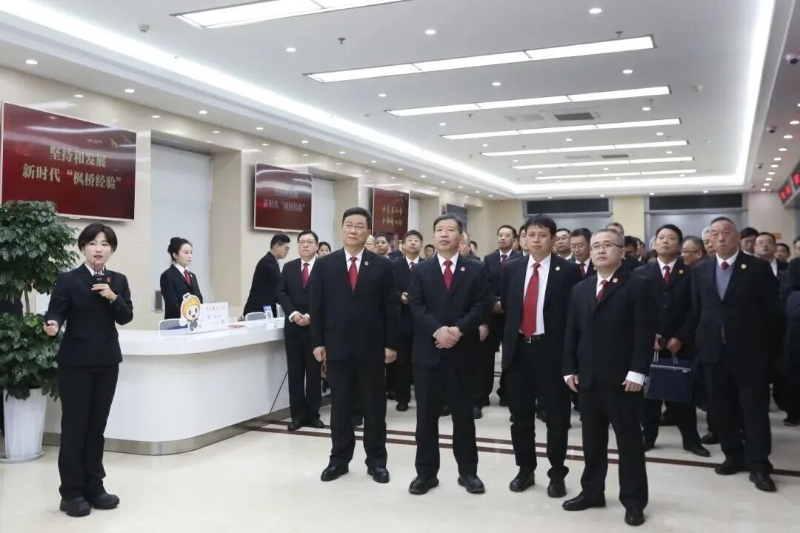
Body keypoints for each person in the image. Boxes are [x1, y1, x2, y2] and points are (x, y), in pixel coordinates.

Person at [562, 228, 657, 527]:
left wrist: (638, 371)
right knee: (592, 440)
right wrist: (569, 367)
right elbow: (572, 332)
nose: (600, 250)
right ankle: (592, 491)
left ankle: (634, 500)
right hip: (588, 378)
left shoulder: (638, 285)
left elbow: (644, 333)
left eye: (607, 245)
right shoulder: (581, 289)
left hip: (623, 380)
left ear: (622, 252)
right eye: (596, 246)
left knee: (629, 443)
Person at [43, 223, 133, 518]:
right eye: (93, 243)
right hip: (76, 364)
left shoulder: (118, 280)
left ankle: (95, 487)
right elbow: (56, 311)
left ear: (111, 250)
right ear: (83, 247)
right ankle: (71, 492)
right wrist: (53, 324)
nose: (98, 249)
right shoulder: (68, 280)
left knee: (96, 428)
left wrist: (113, 296)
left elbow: (126, 316)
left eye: (105, 244)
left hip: (107, 361)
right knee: (75, 428)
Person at [310, 207, 398, 484]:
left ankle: (377, 461)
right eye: (349, 225)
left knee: (374, 408)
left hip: (372, 348)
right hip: (337, 347)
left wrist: (391, 344)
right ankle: (339, 460)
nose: (353, 230)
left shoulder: (382, 265)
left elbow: (391, 307)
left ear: (368, 231)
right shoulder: (325, 264)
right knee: (340, 408)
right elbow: (317, 306)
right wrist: (317, 342)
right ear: (341, 229)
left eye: (360, 226)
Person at [691, 217, 779, 492]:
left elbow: (773, 313)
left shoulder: (757, 268)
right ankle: (733, 455)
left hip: (750, 353)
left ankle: (759, 463)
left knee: (754, 411)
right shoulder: (701, 269)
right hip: (713, 353)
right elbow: (697, 310)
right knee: (721, 409)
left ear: (738, 236)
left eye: (726, 232)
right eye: (714, 234)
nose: (720, 238)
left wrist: (770, 353)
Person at [407, 214, 493, 495]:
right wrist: (437, 331)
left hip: (463, 353)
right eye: (439, 230)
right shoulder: (421, 270)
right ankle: (426, 474)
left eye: (450, 230)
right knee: (426, 418)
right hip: (428, 354)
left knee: (464, 417)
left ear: (460, 237)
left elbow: (483, 304)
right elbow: (416, 306)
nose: (444, 234)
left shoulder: (475, 269)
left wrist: (458, 330)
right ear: (433, 236)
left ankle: (468, 473)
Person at [501, 215, 581, 497]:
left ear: (553, 239)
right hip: (519, 351)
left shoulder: (568, 270)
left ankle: (557, 473)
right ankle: (525, 469)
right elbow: (508, 308)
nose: (535, 240)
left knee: (557, 417)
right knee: (520, 417)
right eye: (530, 235)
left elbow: (574, 316)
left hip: (552, 352)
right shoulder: (512, 268)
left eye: (542, 235)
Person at [634, 225, 709, 458]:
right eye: (661, 237)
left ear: (679, 245)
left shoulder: (690, 273)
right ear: (654, 243)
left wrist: (680, 337)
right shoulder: (641, 273)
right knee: (649, 394)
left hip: (681, 343)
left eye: (671, 238)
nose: (665, 241)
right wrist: (650, 335)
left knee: (683, 393)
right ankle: (648, 436)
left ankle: (691, 440)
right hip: (650, 342)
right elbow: (637, 309)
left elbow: (695, 309)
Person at [276, 231, 324, 431]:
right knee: (295, 373)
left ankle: (313, 415)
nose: (305, 245)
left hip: (315, 328)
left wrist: (311, 316)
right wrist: (293, 313)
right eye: (301, 242)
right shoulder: (289, 267)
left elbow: (328, 296)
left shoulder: (325, 267)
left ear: (316, 246)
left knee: (313, 374)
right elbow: (281, 292)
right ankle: (297, 416)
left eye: (309, 242)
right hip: (293, 327)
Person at [477, 225, 521, 416]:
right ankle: (482, 395)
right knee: (485, 357)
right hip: (491, 314)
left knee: (511, 356)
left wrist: (505, 302)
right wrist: (493, 303)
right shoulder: (489, 259)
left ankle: (506, 392)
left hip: (512, 314)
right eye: (500, 235)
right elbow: (484, 285)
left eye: (507, 235)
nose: (503, 238)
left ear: (515, 239)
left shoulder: (520, 258)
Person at [392, 230, 424, 412]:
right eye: (409, 240)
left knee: (421, 363)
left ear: (421, 245)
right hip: (401, 319)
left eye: (416, 240)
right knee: (402, 362)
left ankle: (423, 397)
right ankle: (402, 398)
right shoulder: (394, 266)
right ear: (402, 245)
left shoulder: (428, 265)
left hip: (422, 322)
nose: (413, 243)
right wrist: (399, 296)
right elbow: (388, 290)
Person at [243, 234, 289, 317]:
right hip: (258, 311)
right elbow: (281, 283)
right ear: (276, 246)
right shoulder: (268, 263)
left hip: (265, 309)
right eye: (286, 248)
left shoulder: (272, 261)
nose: (287, 251)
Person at [159, 237, 203, 320]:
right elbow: (172, 304)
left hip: (194, 321)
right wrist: (188, 316)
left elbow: (199, 298)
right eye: (186, 253)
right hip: (177, 321)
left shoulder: (192, 276)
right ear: (175, 255)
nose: (189, 256)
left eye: (191, 252)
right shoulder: (167, 275)